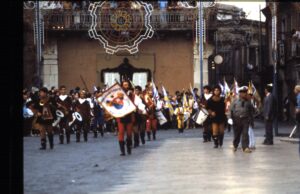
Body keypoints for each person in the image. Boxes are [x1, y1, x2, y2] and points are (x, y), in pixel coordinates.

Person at [229, 86, 254, 153]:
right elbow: (230, 110)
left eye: (245, 92)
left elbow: (252, 111)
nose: (244, 94)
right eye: (242, 93)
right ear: (239, 93)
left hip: (245, 119)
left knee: (245, 133)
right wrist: (229, 118)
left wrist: (251, 121)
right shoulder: (235, 101)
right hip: (236, 119)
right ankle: (235, 145)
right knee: (237, 134)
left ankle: (245, 147)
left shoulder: (248, 102)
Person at [116, 80, 135, 156]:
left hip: (129, 115)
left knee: (129, 133)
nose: (125, 86)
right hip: (121, 116)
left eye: (127, 85)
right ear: (122, 85)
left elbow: (133, 102)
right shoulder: (118, 94)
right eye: (124, 85)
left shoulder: (131, 94)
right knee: (121, 132)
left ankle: (129, 147)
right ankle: (122, 150)